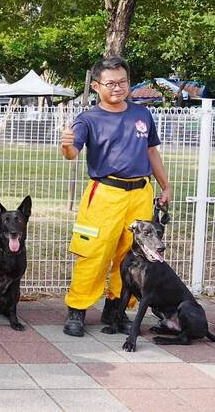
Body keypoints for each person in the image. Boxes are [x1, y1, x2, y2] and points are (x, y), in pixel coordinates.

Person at [60, 57, 171, 337]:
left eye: (122, 82)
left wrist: (165, 186)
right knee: (93, 253)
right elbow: (73, 152)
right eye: (110, 83)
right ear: (97, 86)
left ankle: (117, 308)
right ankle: (77, 309)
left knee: (132, 255)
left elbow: (151, 152)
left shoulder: (142, 115)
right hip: (105, 194)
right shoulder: (88, 119)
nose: (118, 87)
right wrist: (66, 147)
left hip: (140, 195)